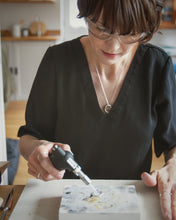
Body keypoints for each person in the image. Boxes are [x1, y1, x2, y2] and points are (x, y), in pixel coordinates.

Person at [18, 0, 176, 219]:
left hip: (130, 205)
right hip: (63, 203)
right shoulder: (57, 61)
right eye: (101, 29)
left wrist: (174, 165)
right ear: (86, 14)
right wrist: (38, 148)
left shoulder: (157, 67)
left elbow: (173, 142)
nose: (113, 47)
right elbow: (28, 136)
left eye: (130, 34)